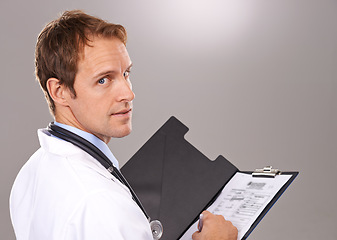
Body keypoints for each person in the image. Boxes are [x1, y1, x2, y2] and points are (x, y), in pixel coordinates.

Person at [9, 10, 238, 240]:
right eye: (103, 80)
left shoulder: (31, 171)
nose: (129, 93)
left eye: (126, 73)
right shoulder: (102, 205)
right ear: (60, 92)